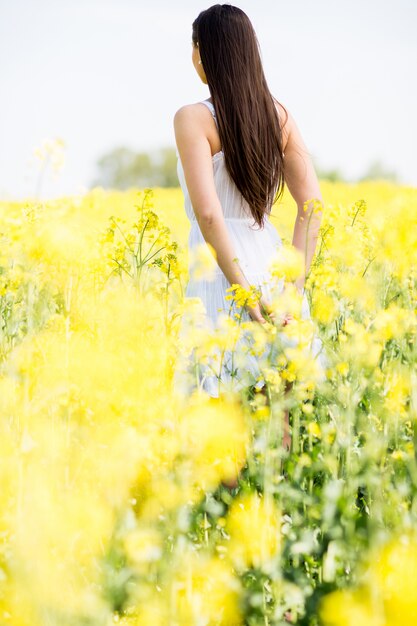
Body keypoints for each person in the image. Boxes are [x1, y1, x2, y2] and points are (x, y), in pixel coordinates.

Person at [172, 4, 326, 438]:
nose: (192, 56)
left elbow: (208, 213)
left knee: (221, 415)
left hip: (221, 269)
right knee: (275, 403)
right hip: (273, 265)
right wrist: (292, 292)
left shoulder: (192, 118)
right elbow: (312, 205)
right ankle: (280, 505)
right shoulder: (280, 116)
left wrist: (240, 291)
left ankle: (229, 506)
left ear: (207, 53)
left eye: (194, 46)